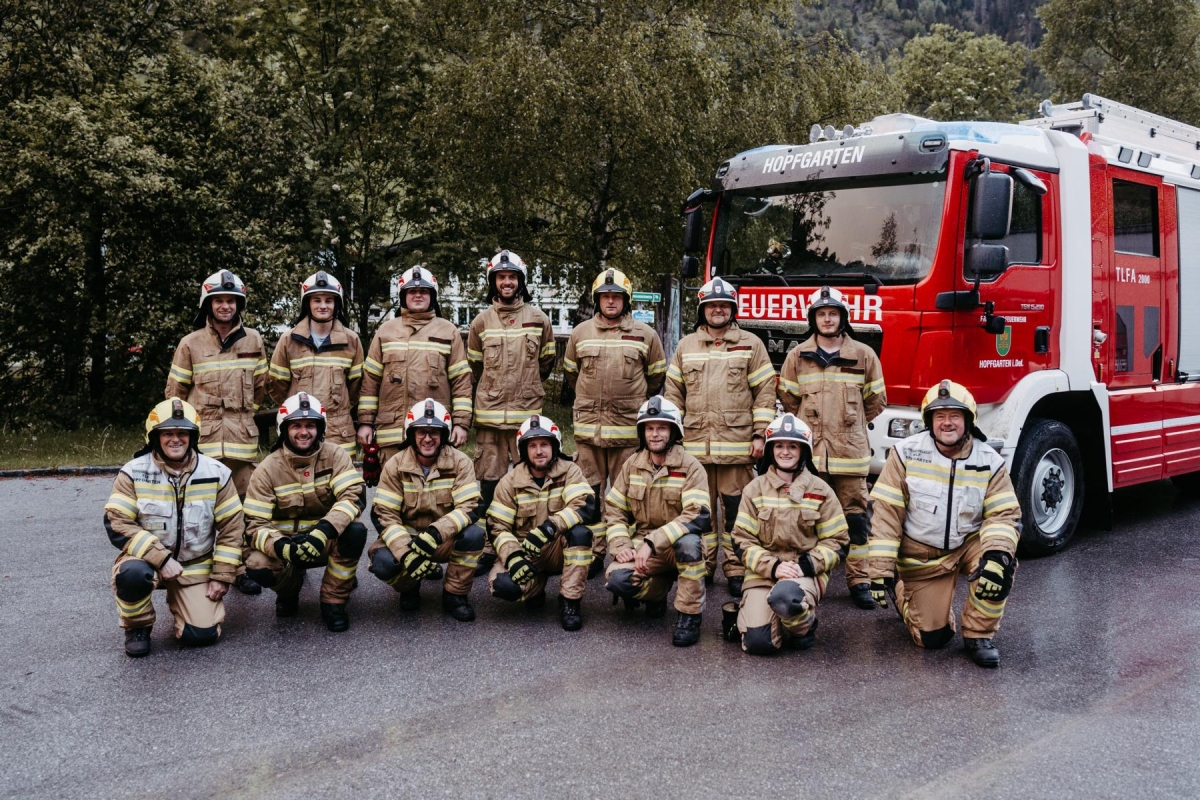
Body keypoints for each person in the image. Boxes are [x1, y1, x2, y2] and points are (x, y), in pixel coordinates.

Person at [867, 380, 1022, 668]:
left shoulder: (989, 461)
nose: (947, 423)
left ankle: (978, 635)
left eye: (954, 416)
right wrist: (881, 569)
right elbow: (886, 514)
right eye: (940, 416)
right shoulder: (905, 453)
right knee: (933, 639)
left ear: (968, 420)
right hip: (922, 556)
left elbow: (1003, 515)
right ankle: (903, 591)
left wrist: (997, 555)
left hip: (968, 545)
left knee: (1000, 567)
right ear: (929, 421)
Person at [103, 399, 244, 657]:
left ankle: (185, 603)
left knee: (200, 636)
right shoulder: (133, 472)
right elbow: (116, 522)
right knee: (132, 575)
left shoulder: (217, 473)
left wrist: (222, 575)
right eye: (168, 433)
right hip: (147, 561)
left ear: (193, 437)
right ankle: (138, 626)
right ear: (155, 437)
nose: (175, 439)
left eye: (183, 433)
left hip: (196, 563)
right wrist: (162, 557)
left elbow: (233, 529)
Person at [664, 277, 775, 597]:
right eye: (712, 306)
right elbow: (674, 395)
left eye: (724, 305)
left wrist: (759, 435)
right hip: (696, 448)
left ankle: (737, 568)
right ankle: (705, 565)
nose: (718, 310)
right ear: (702, 310)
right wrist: (673, 439)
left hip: (738, 447)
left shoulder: (751, 344)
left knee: (736, 512)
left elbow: (765, 393)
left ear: (732, 309)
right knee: (701, 512)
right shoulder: (687, 345)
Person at [778, 285, 886, 609]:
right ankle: (809, 576)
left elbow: (876, 400)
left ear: (843, 318)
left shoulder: (864, 355)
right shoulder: (797, 356)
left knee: (856, 520)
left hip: (851, 455)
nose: (827, 319)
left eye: (833, 313)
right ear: (813, 319)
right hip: (811, 456)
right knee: (808, 516)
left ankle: (860, 580)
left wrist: (847, 425)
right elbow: (788, 398)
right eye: (821, 314)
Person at [165, 269, 268, 596]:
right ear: (207, 305)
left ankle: (239, 568)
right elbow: (175, 393)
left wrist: (240, 409)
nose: (225, 306)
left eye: (231, 300)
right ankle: (202, 568)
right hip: (204, 443)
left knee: (240, 508)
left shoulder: (253, 340)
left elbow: (262, 388)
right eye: (218, 300)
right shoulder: (190, 343)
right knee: (203, 509)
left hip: (241, 441)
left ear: (239, 304)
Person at [563, 268, 666, 575]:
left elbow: (655, 377)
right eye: (605, 297)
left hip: (627, 434)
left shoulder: (646, 335)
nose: (611, 302)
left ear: (626, 300)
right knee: (590, 496)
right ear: (598, 300)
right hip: (588, 433)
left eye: (616, 297)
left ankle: (627, 550)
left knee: (628, 498)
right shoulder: (581, 333)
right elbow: (572, 374)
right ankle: (594, 553)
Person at [241, 392, 368, 632]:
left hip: (324, 540)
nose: (303, 432)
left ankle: (334, 601)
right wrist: (283, 547)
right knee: (257, 563)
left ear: (320, 428)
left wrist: (322, 531)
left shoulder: (336, 455)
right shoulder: (267, 468)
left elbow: (354, 496)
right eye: (296, 425)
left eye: (310, 425)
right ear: (284, 429)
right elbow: (254, 524)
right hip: (286, 546)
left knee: (355, 531)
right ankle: (289, 591)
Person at [725, 413, 849, 654]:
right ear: (771, 450)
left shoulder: (820, 489)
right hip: (763, 572)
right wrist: (773, 567)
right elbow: (741, 540)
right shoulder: (754, 489)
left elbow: (838, 541)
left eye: (792, 446)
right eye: (779, 446)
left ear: (804, 451)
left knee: (786, 597)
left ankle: (802, 625)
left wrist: (804, 566)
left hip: (803, 572)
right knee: (758, 643)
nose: (785, 452)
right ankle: (778, 618)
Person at [466, 250, 556, 574]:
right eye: (501, 277)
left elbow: (546, 362)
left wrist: (526, 386)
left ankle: (522, 544)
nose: (507, 282)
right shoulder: (480, 322)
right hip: (490, 418)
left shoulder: (539, 319)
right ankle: (491, 547)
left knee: (525, 485)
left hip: (525, 420)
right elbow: (474, 365)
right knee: (490, 486)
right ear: (493, 282)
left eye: (512, 277)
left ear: (521, 281)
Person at [603, 396, 711, 647]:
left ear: (674, 431)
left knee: (690, 545)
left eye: (661, 427)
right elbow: (615, 509)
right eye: (649, 428)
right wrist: (621, 546)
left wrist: (652, 542)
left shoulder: (691, 467)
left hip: (677, 545)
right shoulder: (632, 465)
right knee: (617, 580)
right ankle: (656, 593)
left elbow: (698, 514)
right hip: (644, 546)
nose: (655, 434)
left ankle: (689, 615)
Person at [366, 399, 485, 621]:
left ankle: (455, 595)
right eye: (421, 431)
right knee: (382, 562)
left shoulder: (460, 462)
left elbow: (470, 506)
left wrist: (435, 533)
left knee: (474, 534)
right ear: (411, 434)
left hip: (442, 538)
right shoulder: (395, 464)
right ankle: (409, 587)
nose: (428, 438)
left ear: (444, 434)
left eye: (434, 432)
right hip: (407, 538)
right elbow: (383, 514)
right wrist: (405, 552)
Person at [485, 414, 596, 631]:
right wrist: (513, 557)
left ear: (555, 446)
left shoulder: (570, 471)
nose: (538, 451)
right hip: (525, 550)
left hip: (556, 547)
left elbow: (584, 505)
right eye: (532, 445)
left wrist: (549, 528)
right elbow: (497, 526)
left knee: (580, 534)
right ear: (523, 449)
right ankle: (535, 587)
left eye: (544, 444)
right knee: (503, 586)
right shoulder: (509, 481)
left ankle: (570, 602)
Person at [357, 266, 473, 464]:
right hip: (393, 432)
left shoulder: (448, 332)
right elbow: (370, 381)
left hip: (434, 432)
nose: (418, 295)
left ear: (432, 296)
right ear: (403, 296)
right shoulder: (386, 331)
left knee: (436, 490)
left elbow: (461, 382)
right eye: (412, 291)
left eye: (424, 291)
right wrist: (366, 422)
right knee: (391, 491)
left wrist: (461, 423)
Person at [266, 271, 365, 454]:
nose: (323, 306)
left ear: (337, 304)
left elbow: (356, 387)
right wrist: (295, 409)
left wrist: (338, 408)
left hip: (339, 433)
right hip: (299, 431)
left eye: (328, 300)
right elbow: (276, 384)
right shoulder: (289, 340)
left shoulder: (351, 341)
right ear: (307, 304)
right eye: (317, 300)